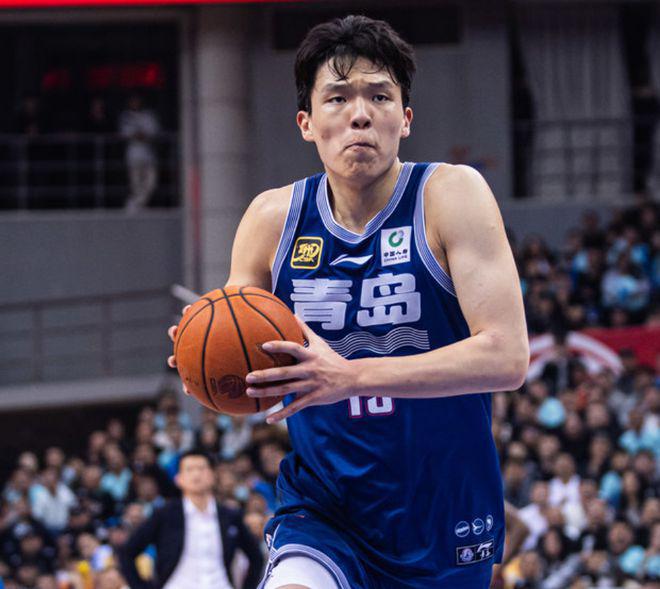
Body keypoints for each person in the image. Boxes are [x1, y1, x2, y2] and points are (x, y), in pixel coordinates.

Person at [168, 14, 528, 589]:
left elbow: (507, 357)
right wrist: (204, 364)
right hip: (323, 507)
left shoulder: (450, 196)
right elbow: (245, 355)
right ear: (306, 123)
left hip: (442, 510)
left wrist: (351, 376)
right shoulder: (271, 219)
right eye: (337, 97)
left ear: (405, 118)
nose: (360, 113)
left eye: (379, 96)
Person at [118, 450, 263, 589]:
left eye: (201, 468)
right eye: (189, 469)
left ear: (213, 475)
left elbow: (256, 556)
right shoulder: (165, 514)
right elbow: (127, 552)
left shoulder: (229, 516)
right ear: (178, 479)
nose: (196, 474)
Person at [118, 94, 160, 213]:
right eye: (133, 101)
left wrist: (141, 134)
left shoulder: (148, 115)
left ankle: (134, 204)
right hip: (133, 154)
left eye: (137, 101)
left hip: (148, 154)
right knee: (136, 184)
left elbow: (154, 131)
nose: (135, 103)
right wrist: (140, 134)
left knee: (151, 182)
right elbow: (126, 133)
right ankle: (139, 207)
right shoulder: (126, 116)